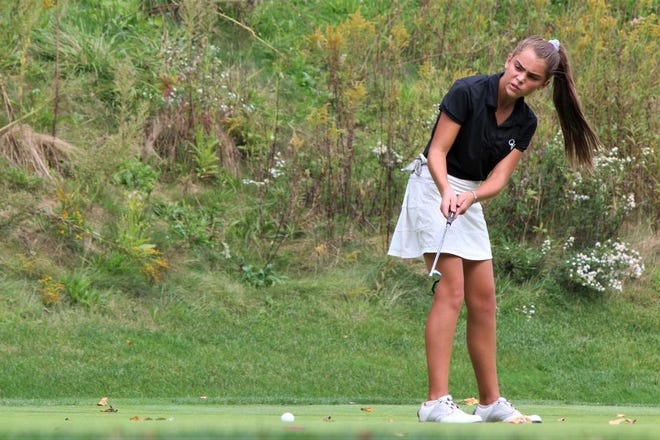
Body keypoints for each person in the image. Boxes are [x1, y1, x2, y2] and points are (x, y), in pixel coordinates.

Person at [388, 36, 600, 423]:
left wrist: (469, 198)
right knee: (451, 292)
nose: (519, 79)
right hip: (432, 185)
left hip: (468, 197)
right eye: (517, 67)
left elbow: (498, 179)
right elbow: (437, 151)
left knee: (484, 300)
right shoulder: (467, 91)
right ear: (508, 60)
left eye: (531, 77)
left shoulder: (526, 122)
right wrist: (447, 192)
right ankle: (435, 402)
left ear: (541, 84)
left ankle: (489, 402)